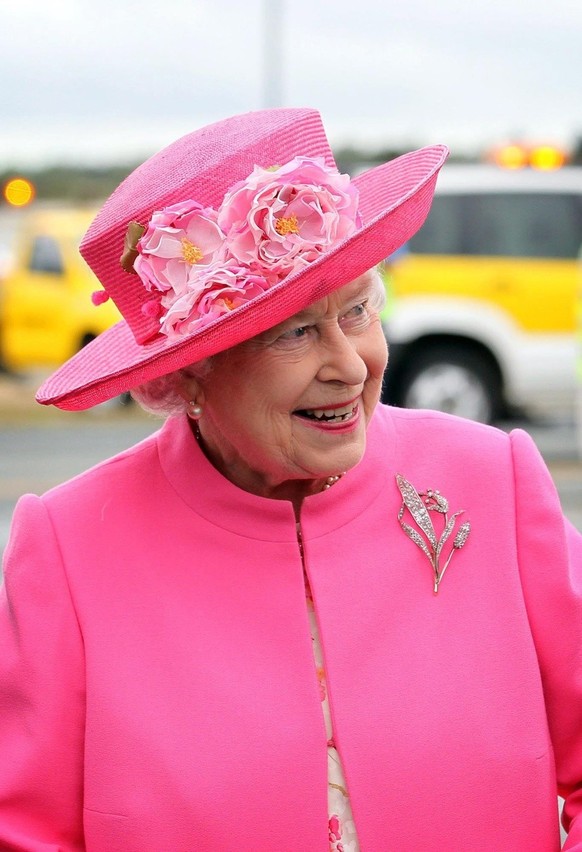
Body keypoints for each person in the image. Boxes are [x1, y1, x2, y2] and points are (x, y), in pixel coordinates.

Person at [0, 108, 580, 852]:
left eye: (360, 309)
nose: (351, 364)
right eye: (296, 332)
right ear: (191, 368)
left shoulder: (492, 481)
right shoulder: (71, 546)